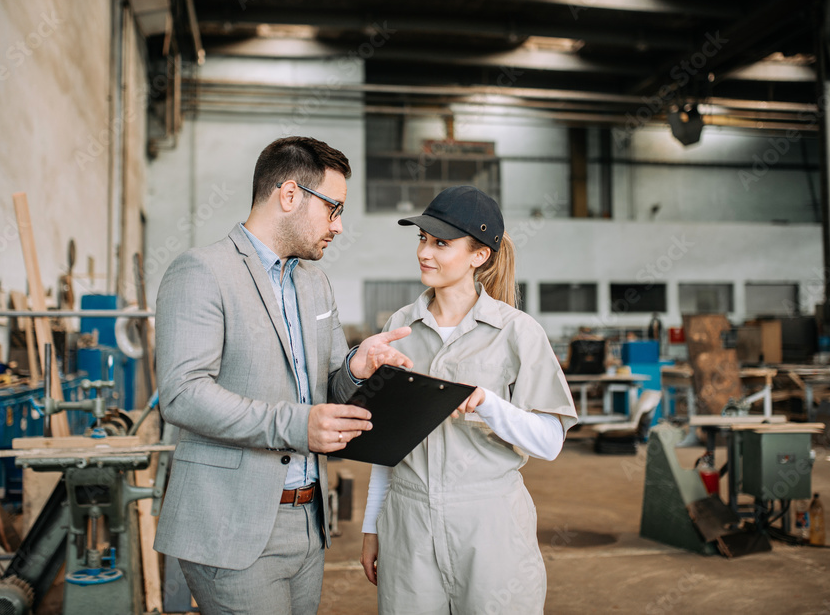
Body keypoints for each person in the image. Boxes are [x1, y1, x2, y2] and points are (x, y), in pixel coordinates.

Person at [153, 136, 412, 615]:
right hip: (232, 524)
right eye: (333, 209)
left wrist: (358, 366)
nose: (338, 226)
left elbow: (329, 390)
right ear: (289, 195)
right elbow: (183, 395)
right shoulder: (202, 272)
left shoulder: (315, 283)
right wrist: (298, 425)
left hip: (308, 520)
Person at [359, 186, 578, 614]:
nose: (426, 252)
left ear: (479, 256)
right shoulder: (400, 325)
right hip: (408, 525)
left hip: (490, 527)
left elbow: (550, 441)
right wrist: (372, 527)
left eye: (442, 243)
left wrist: (487, 404)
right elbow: (386, 442)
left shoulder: (517, 332)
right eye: (423, 239)